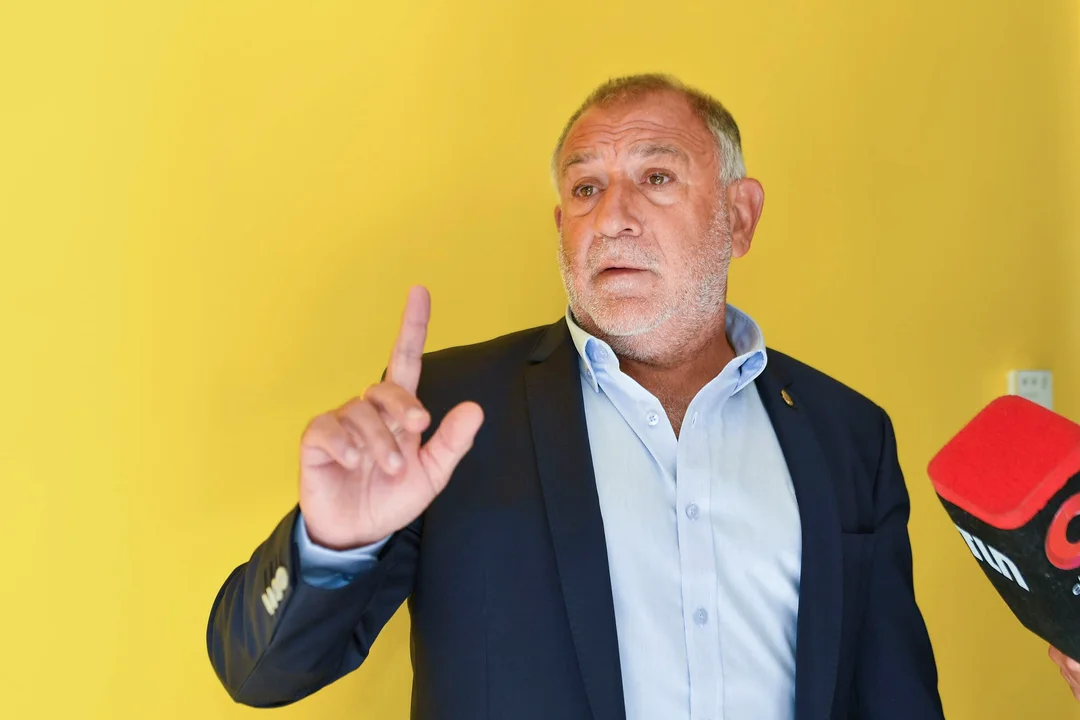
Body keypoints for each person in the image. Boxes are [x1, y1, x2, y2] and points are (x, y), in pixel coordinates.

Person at [206, 73, 945, 719]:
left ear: (739, 217)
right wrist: (333, 546)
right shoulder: (447, 412)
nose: (613, 217)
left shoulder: (848, 435)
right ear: (563, 227)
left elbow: (894, 696)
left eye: (657, 177)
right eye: (586, 188)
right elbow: (259, 672)